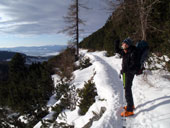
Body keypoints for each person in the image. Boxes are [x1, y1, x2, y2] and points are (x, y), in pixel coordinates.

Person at [115, 38, 138, 117]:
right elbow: (117, 50)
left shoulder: (132, 52)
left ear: (128, 45)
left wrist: (125, 70)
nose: (122, 45)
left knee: (127, 89)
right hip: (125, 73)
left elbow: (133, 65)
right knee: (127, 88)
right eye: (122, 43)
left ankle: (129, 110)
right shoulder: (126, 51)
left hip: (129, 73)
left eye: (124, 44)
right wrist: (116, 42)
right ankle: (130, 105)